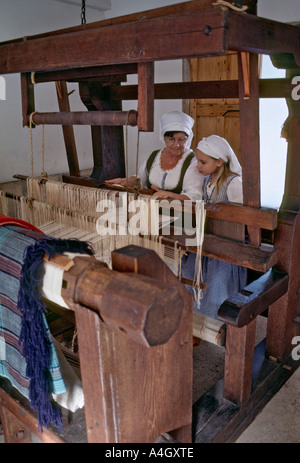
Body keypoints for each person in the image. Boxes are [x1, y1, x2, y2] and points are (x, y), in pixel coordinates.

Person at [181, 134, 248, 320]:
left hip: (226, 247)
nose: (198, 166)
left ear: (219, 162)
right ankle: (193, 324)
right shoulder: (206, 181)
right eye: (197, 161)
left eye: (203, 162)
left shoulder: (234, 183)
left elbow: (243, 218)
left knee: (217, 285)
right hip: (206, 242)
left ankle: (213, 325)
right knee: (186, 274)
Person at [105, 110, 204, 201]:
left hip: (181, 215)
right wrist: (124, 181)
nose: (176, 144)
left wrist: (169, 195)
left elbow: (195, 196)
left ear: (189, 138)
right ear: (163, 138)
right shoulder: (155, 156)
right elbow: (141, 180)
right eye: (171, 139)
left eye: (181, 139)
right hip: (152, 210)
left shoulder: (193, 161)